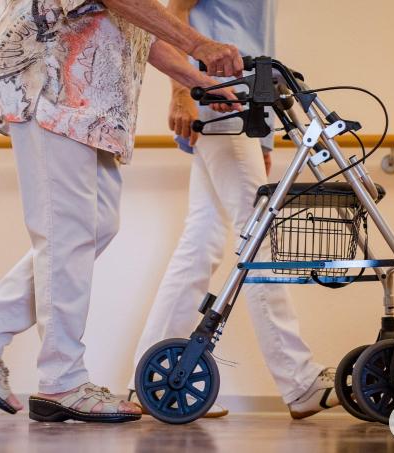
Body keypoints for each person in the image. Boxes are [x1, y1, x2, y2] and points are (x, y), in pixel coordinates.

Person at [0, 0, 246, 424]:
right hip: (51, 85)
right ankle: (61, 381)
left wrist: (194, 78)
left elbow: (136, 25)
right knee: (66, 233)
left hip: (87, 103)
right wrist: (199, 44)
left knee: (95, 226)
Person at [127, 0, 338, 420]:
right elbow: (176, 13)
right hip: (221, 106)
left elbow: (254, 42)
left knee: (201, 241)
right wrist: (182, 93)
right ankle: (300, 382)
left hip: (246, 111)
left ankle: (152, 384)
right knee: (256, 235)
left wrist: (264, 141)